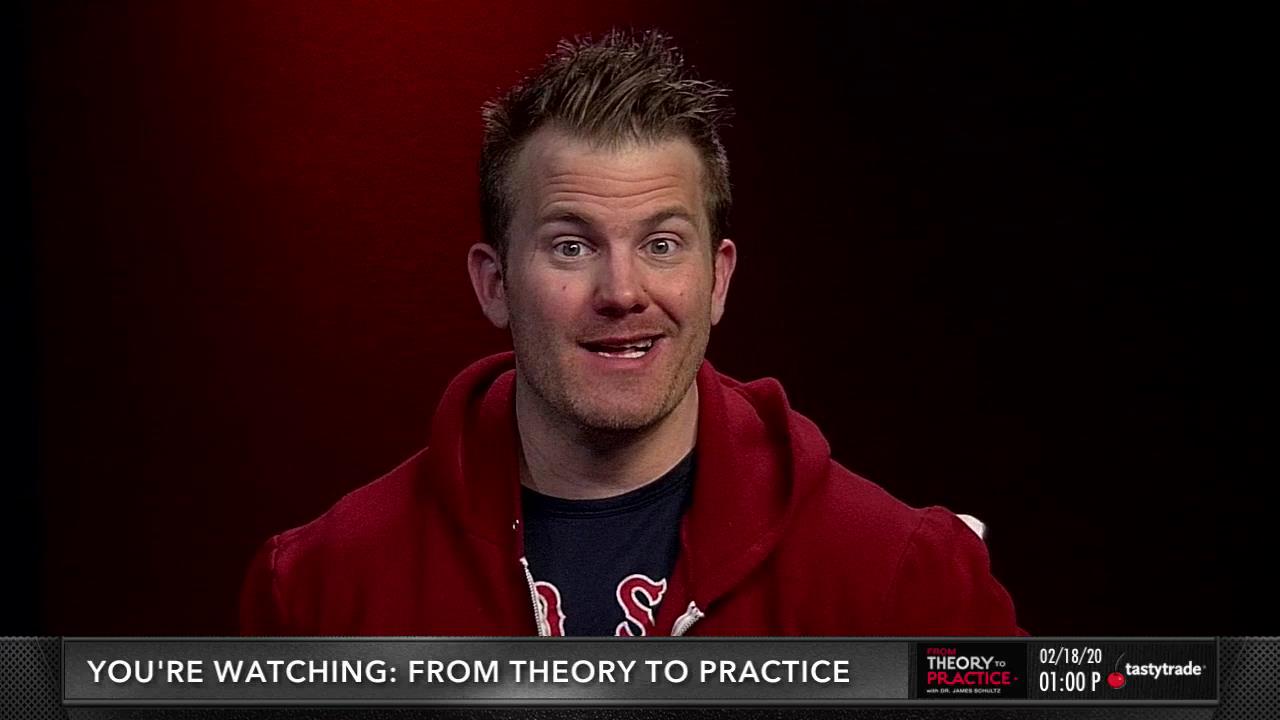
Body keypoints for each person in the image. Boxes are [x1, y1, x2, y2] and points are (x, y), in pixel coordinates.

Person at [240, 30, 1022, 637]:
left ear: (717, 280)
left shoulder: (904, 575)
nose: (622, 293)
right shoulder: (319, 589)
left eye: (662, 243)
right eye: (571, 246)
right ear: (494, 283)